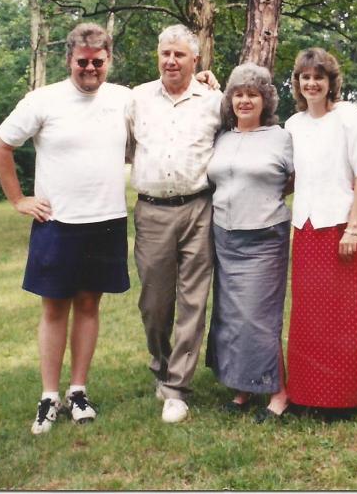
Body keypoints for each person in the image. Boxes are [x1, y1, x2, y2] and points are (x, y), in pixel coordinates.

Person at [0, 23, 131, 435]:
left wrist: (206, 78)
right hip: (57, 222)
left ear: (109, 60)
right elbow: (0, 144)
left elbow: (165, 98)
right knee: (54, 309)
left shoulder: (123, 99)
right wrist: (18, 199)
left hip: (106, 220)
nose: (91, 69)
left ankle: (78, 391)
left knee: (89, 305)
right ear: (69, 59)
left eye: (98, 62)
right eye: (83, 62)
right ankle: (49, 396)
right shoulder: (43, 100)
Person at [128, 24, 223, 424]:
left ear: (195, 61)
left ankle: (177, 388)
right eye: (165, 53)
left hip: (200, 208)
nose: (170, 61)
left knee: (193, 300)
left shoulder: (215, 101)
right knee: (154, 302)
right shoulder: (135, 99)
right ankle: (161, 364)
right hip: (151, 211)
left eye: (179, 55)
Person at [284, 48, 357, 419]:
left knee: (343, 317)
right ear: (297, 83)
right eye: (305, 77)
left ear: (331, 82)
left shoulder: (349, 117)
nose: (311, 83)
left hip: (342, 229)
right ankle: (307, 396)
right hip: (306, 229)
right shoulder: (293, 125)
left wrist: (353, 227)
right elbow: (293, 179)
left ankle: (342, 399)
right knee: (309, 318)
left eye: (318, 77)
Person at [205, 63, 294, 423]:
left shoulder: (281, 137)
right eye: (238, 94)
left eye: (252, 94)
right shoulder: (223, 138)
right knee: (231, 316)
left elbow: (295, 178)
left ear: (265, 99)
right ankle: (242, 388)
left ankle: (279, 393)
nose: (244, 100)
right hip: (224, 236)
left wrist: (269, 198)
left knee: (258, 318)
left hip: (264, 236)